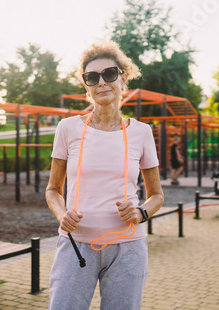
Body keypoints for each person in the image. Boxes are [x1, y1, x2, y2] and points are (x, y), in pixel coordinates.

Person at [45, 41, 164, 310]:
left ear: (123, 77)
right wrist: (62, 214)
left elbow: (156, 195)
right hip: (76, 245)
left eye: (109, 74)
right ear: (86, 85)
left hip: (128, 249)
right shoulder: (67, 128)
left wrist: (141, 213)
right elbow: (53, 190)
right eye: (92, 77)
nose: (101, 82)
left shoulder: (142, 133)